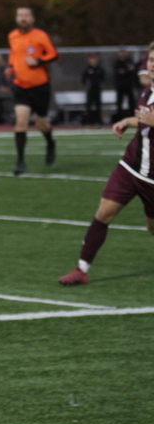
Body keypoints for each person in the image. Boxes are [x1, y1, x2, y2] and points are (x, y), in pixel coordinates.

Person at [59, 42, 154, 286]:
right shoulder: (148, 90)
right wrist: (127, 121)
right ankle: (81, 270)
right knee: (104, 213)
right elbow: (145, 118)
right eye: (151, 60)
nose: (152, 65)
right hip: (131, 167)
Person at [6, 6, 58, 175]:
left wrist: (38, 60)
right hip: (20, 86)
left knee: (41, 123)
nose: (23, 18)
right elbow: (14, 55)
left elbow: (53, 55)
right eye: (20, 15)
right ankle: (20, 162)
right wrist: (11, 68)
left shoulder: (40, 35)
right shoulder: (12, 36)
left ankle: (50, 142)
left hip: (40, 86)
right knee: (21, 121)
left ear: (32, 19)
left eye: (26, 15)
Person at [82, 53, 105, 125]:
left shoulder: (100, 69)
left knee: (98, 105)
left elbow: (103, 78)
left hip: (97, 90)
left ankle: (98, 121)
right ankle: (89, 121)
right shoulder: (87, 69)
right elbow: (83, 79)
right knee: (89, 106)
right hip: (89, 90)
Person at [112, 50, 137, 119]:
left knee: (131, 102)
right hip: (120, 86)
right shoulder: (117, 62)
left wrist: (124, 71)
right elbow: (118, 72)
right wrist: (127, 70)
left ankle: (132, 116)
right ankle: (119, 118)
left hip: (129, 85)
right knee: (119, 103)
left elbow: (133, 70)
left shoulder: (129, 60)